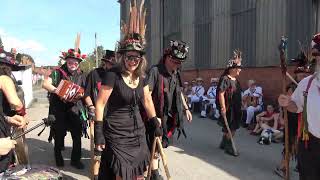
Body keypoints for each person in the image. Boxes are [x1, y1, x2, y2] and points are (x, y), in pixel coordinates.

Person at [94, 2, 161, 179]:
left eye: (137, 58)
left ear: (141, 59)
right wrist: (99, 133)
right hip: (116, 132)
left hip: (137, 131)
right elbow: (100, 104)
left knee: (140, 173)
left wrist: (154, 122)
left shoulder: (142, 77)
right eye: (129, 57)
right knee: (122, 174)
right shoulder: (112, 75)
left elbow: (147, 100)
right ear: (122, 57)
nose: (133, 61)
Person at [145, 40, 192, 179]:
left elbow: (179, 92)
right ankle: (154, 174)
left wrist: (186, 108)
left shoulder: (176, 73)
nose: (178, 65)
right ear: (168, 58)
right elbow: (147, 95)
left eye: (180, 63)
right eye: (176, 62)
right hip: (154, 116)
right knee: (154, 144)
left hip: (169, 117)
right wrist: (154, 118)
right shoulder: (155, 71)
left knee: (160, 145)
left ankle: (154, 169)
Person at [278, 33, 320, 180]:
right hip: (310, 144)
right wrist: (287, 103)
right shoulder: (307, 83)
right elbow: (296, 106)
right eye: (318, 55)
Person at [42, 48, 87, 169]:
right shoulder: (58, 72)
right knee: (59, 134)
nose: (73, 65)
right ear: (66, 61)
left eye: (75, 63)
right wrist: (58, 91)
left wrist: (80, 94)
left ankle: (75, 160)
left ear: (79, 63)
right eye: (70, 62)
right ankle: (58, 158)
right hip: (59, 109)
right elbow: (45, 84)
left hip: (74, 109)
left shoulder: (82, 74)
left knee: (77, 136)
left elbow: (84, 91)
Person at [275, 50, 314, 177]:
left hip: (305, 122)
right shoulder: (292, 87)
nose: (303, 78)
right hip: (292, 120)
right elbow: (285, 105)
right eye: (301, 75)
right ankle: (282, 166)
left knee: (302, 145)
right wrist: (281, 116)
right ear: (296, 75)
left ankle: (300, 165)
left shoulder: (310, 86)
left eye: (305, 75)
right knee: (290, 144)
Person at [216, 49, 243, 156]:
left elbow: (238, 94)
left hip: (236, 108)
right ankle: (229, 147)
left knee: (232, 126)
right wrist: (223, 107)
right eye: (238, 68)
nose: (240, 70)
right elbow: (221, 93)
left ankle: (223, 142)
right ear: (232, 69)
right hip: (228, 108)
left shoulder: (236, 80)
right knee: (231, 128)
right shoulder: (225, 79)